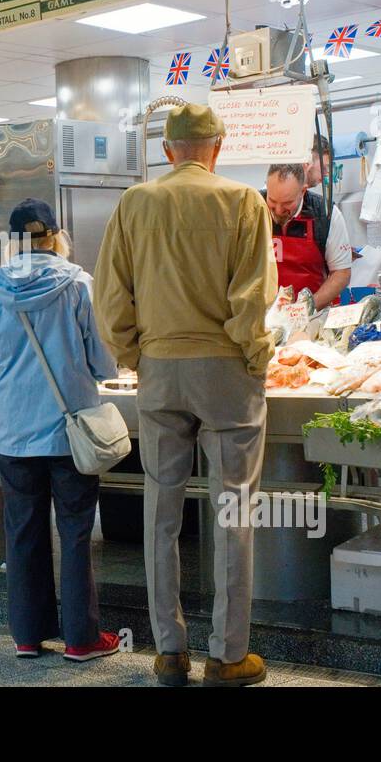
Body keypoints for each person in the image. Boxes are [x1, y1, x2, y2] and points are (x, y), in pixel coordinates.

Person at [94, 104, 276, 688]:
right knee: (232, 512)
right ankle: (228, 655)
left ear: (168, 150)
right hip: (225, 372)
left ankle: (169, 651)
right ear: (217, 146)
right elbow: (253, 296)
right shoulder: (244, 201)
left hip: (160, 370)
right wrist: (253, 355)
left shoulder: (134, 203)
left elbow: (110, 299)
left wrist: (135, 355)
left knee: (160, 512)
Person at [0, 198, 121, 663]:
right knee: (76, 532)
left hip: (14, 430)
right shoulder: (79, 285)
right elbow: (103, 360)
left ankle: (27, 635)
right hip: (68, 430)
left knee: (22, 532)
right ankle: (81, 639)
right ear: (57, 236)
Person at [262, 162, 352, 310]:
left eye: (287, 203)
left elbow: (341, 272)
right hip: (262, 317)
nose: (278, 211)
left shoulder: (326, 214)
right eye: (272, 201)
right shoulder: (253, 208)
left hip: (312, 316)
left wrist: (306, 308)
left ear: (303, 191)